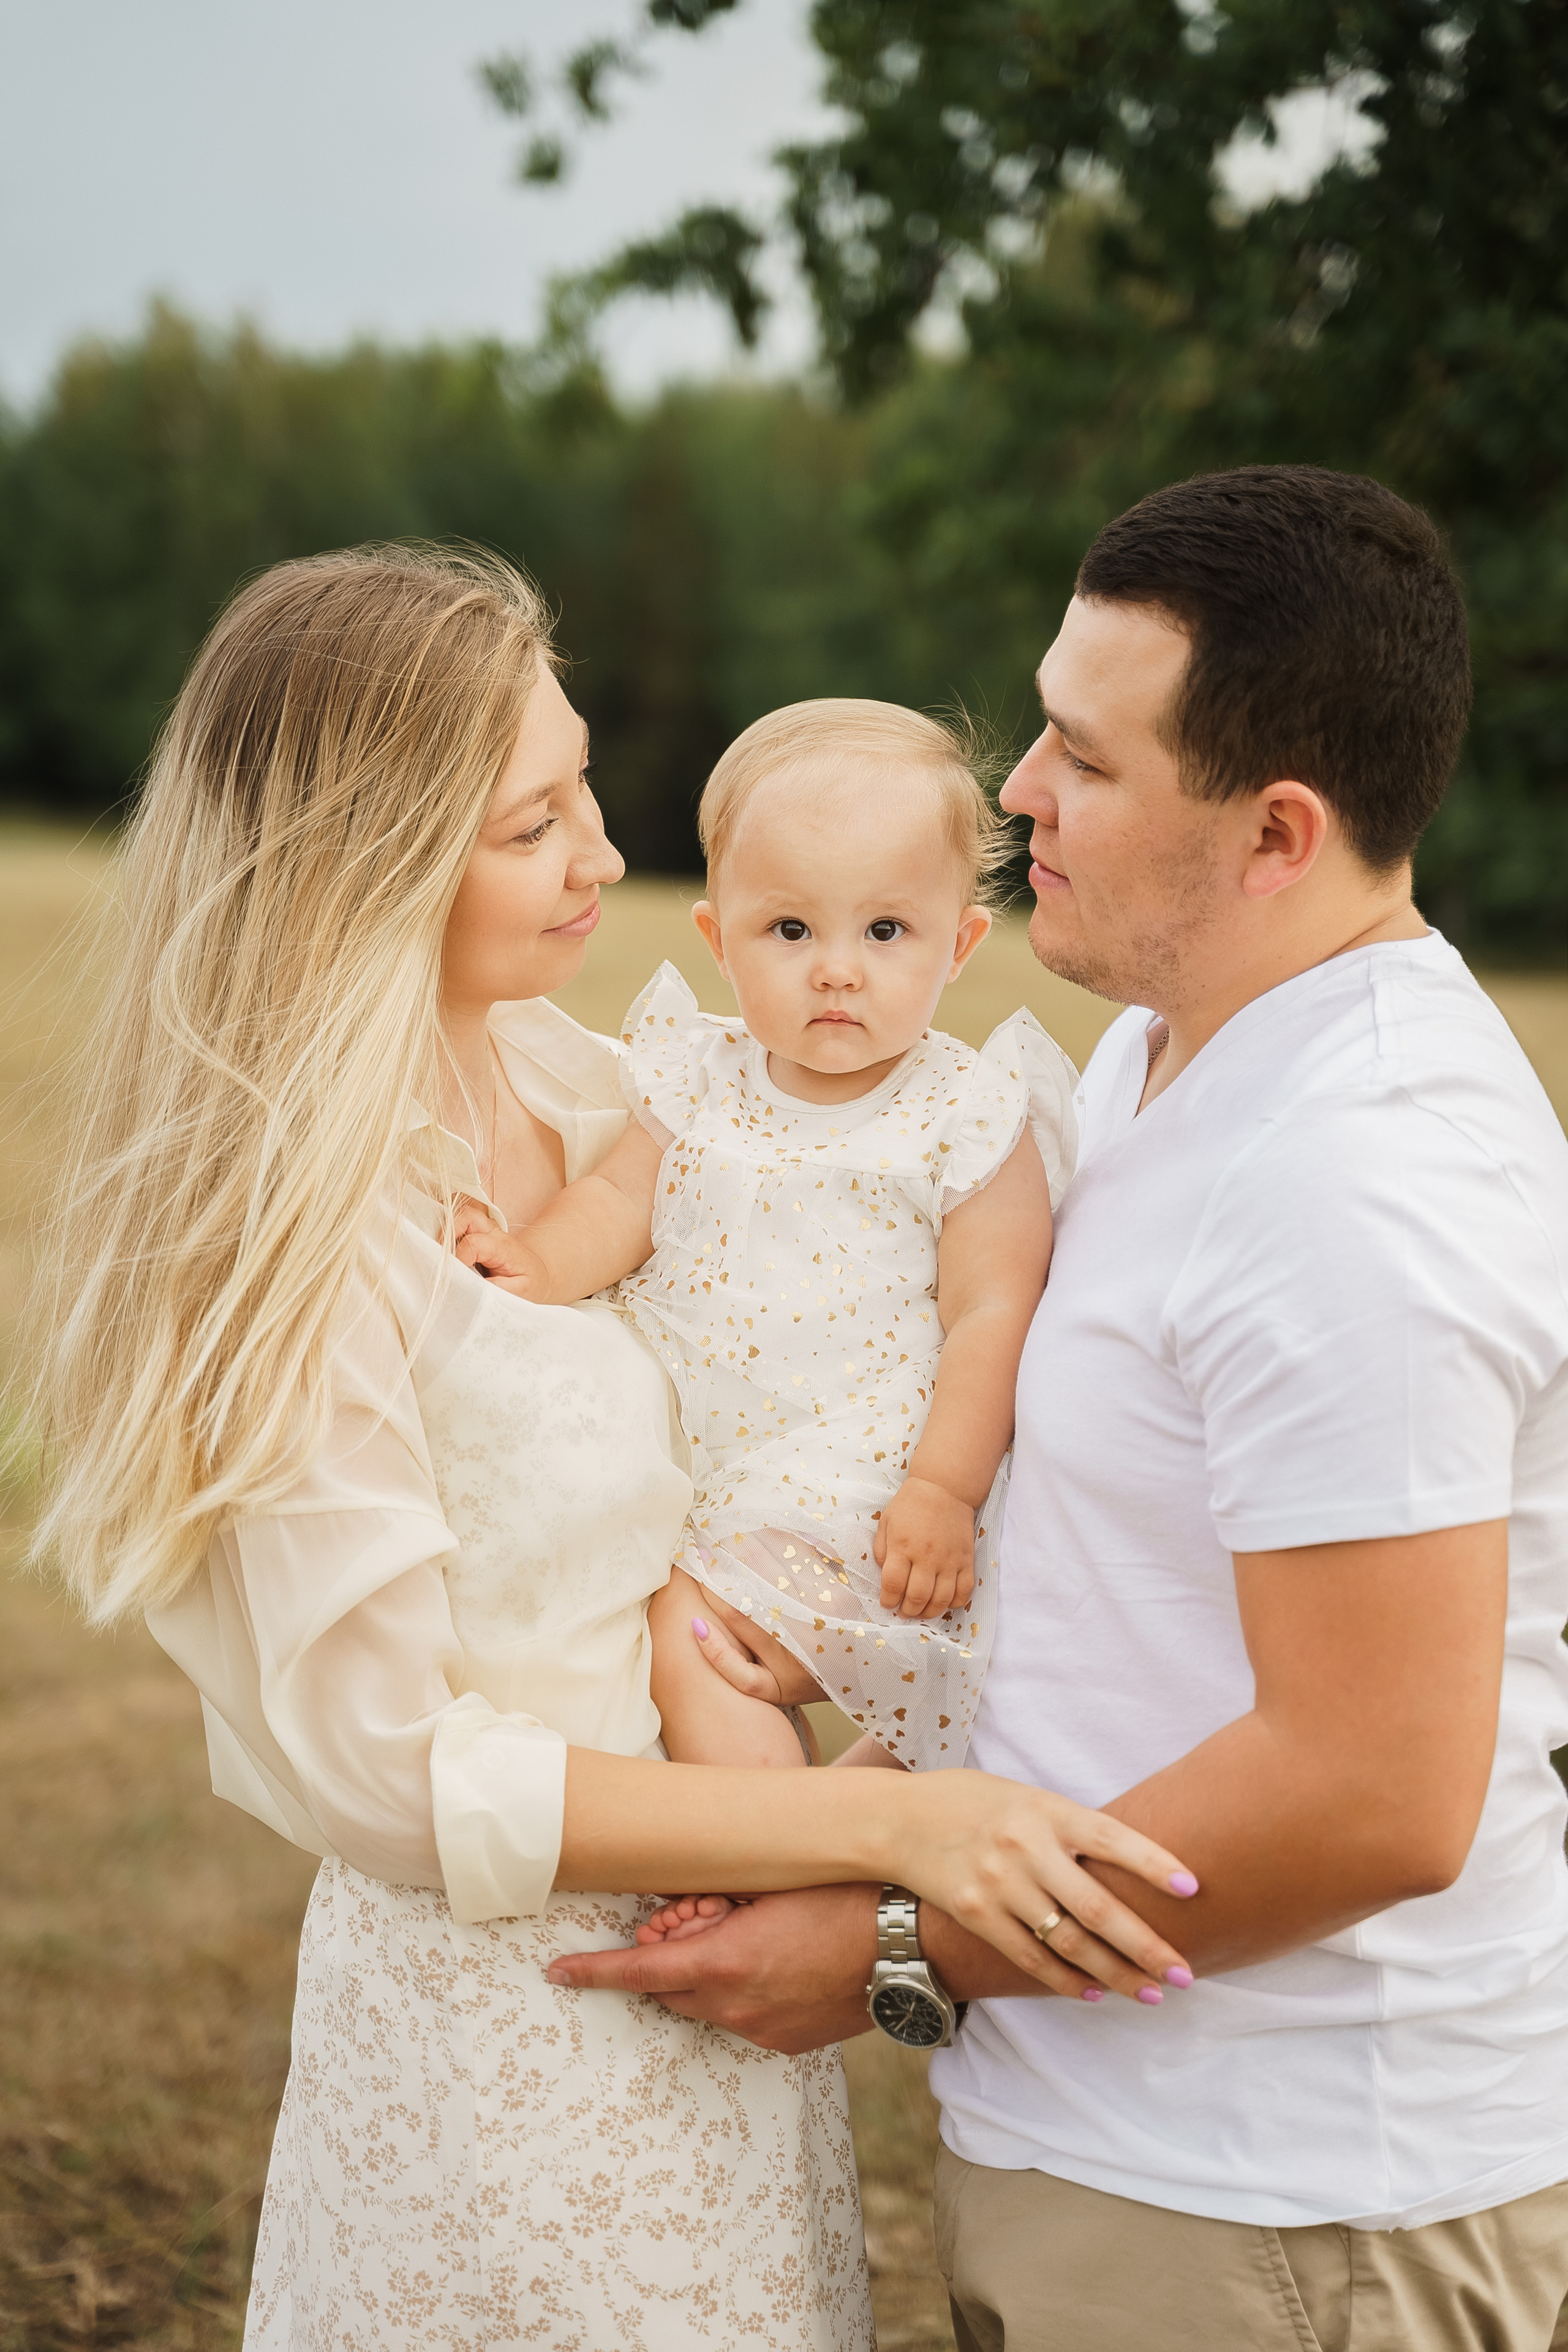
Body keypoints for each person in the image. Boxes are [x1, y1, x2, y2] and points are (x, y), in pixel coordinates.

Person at [27, 543, 1202, 2352]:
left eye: (584, 790)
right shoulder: (290, 1240)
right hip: (509, 2027)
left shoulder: (599, 1089)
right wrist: (868, 1824)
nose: (599, 854)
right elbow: (390, 1777)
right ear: (367, 856)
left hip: (726, 2004)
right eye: (531, 823)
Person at [547, 468, 1568, 2352]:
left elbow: (1373, 1790)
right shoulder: (1159, 1068)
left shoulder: (1367, 1180)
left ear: (1274, 832)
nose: (1014, 791)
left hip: (1285, 2213)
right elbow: (1110, 1621)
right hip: (1115, 2147)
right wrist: (834, 1830)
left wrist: (885, 1952)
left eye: (1085, 761)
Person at [451, 698, 1080, 1779]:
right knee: (686, 1640)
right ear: (719, 939)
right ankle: (780, 1831)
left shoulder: (965, 1113)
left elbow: (995, 1311)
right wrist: (540, 1263)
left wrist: (942, 1490)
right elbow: (617, 1204)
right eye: (790, 931)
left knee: (693, 1640)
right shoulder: (701, 1079)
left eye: (885, 932)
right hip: (716, 1465)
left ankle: (767, 1859)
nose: (837, 970)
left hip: (873, 1479)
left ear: (961, 942)